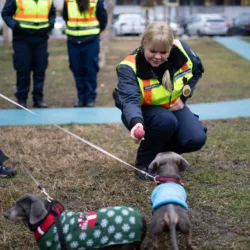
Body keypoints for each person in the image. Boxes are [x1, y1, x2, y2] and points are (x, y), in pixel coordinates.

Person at [113, 22, 207, 180]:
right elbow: (129, 100)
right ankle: (144, 163)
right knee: (165, 121)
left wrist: (183, 98)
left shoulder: (183, 51)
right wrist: (136, 122)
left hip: (172, 107)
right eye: (152, 51)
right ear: (144, 44)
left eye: (164, 52)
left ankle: (161, 153)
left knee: (196, 138)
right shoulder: (128, 67)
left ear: (171, 47)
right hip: (143, 113)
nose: (157, 57)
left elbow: (197, 70)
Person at [1, 0, 56, 108]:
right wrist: (15, 26)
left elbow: (52, 13)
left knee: (40, 69)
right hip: (22, 38)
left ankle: (38, 99)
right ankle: (22, 99)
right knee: (23, 69)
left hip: (41, 38)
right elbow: (6, 13)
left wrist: (50, 24)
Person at [62, 0, 107, 107]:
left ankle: (91, 99)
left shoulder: (96, 1)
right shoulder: (68, 1)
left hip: (90, 41)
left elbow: (103, 20)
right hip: (73, 41)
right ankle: (81, 99)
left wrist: (94, 33)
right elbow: (65, 16)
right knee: (77, 69)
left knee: (90, 70)